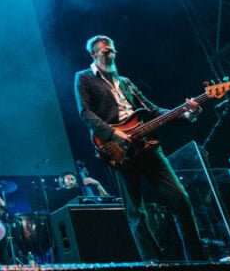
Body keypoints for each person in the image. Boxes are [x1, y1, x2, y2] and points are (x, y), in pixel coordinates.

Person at [74, 35, 203, 261]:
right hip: (117, 148)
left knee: (180, 199)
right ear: (93, 54)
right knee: (137, 214)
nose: (110, 54)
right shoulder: (84, 78)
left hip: (147, 146)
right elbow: (85, 113)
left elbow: (152, 111)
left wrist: (186, 112)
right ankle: (153, 262)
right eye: (105, 51)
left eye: (112, 50)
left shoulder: (126, 82)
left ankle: (198, 259)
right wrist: (113, 133)